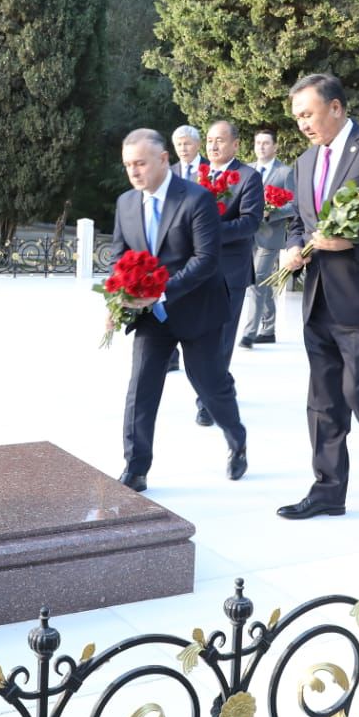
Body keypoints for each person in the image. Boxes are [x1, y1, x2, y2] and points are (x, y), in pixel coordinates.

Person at [277, 73, 359, 519]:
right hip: (318, 297)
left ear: (335, 107)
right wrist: (294, 246)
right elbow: (300, 220)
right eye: (297, 117)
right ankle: (328, 490)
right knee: (323, 400)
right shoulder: (302, 163)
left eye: (308, 114)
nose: (302, 124)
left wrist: (353, 242)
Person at [110, 129, 250, 490]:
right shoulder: (126, 203)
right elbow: (118, 256)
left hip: (197, 310)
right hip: (149, 316)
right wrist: (120, 296)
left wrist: (158, 291)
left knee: (211, 387)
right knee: (141, 387)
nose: (134, 172)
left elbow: (206, 259)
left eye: (140, 163)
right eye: (128, 165)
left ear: (162, 159)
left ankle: (237, 440)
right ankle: (135, 467)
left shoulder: (197, 198)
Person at [195, 121, 263, 427]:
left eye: (219, 140)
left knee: (220, 340)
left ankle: (208, 401)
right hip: (196, 271)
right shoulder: (197, 175)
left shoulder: (249, 177)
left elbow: (250, 223)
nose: (213, 146)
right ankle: (220, 383)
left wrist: (210, 231)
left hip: (229, 273)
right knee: (198, 338)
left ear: (235, 144)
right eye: (209, 140)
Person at [242, 128, 295, 347]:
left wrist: (272, 212)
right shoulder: (248, 170)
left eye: (265, 143)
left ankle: (248, 334)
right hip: (247, 235)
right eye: (258, 143)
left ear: (275, 146)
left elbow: (294, 205)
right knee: (260, 282)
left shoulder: (285, 172)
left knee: (257, 281)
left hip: (270, 236)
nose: (261, 147)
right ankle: (269, 328)